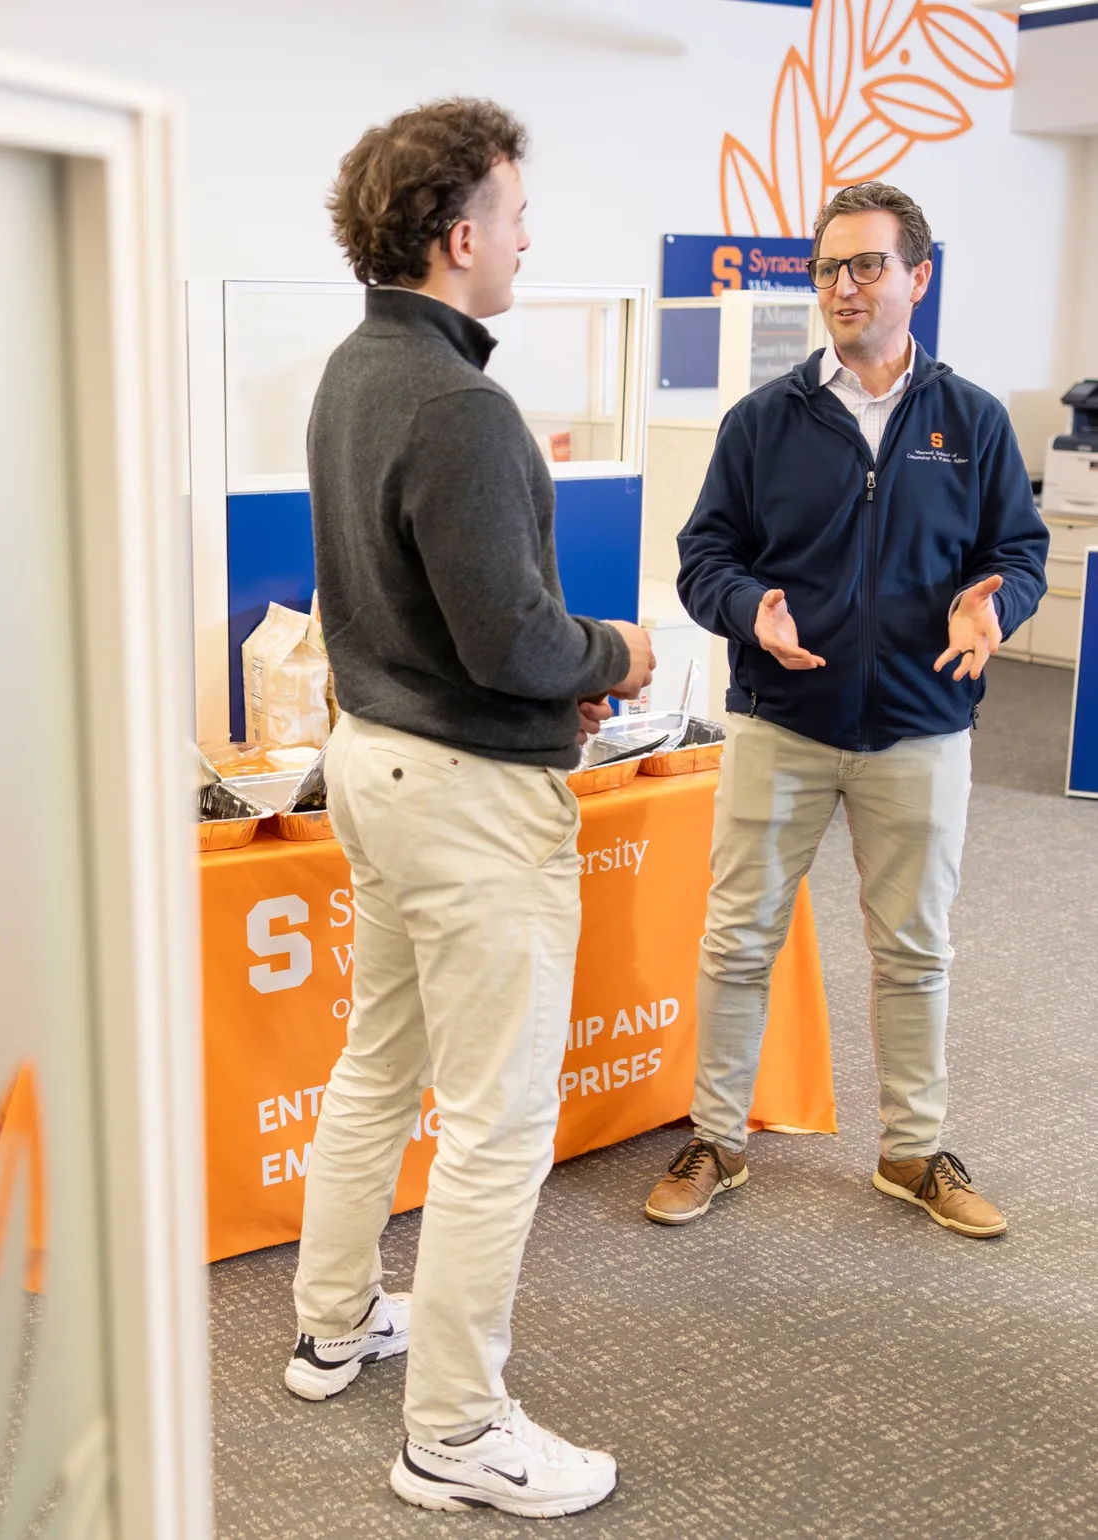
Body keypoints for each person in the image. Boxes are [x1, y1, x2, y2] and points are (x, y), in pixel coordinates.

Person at [286, 99, 654, 1517]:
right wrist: (614, 655)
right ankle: (452, 1433)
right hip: (465, 801)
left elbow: (438, 620)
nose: (523, 239)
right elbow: (512, 641)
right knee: (496, 1123)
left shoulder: (354, 370)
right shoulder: (459, 404)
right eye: (513, 214)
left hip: (379, 764)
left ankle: (333, 1326)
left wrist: (550, 675)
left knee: (378, 1063)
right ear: (457, 236)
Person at [644, 181, 1047, 1240]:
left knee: (913, 951)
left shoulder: (971, 420)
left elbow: (1018, 551)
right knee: (738, 940)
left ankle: (911, 1152)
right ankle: (717, 1139)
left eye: (867, 264)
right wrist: (749, 608)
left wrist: (993, 601)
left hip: (921, 724)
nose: (844, 286)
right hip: (779, 719)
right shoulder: (763, 421)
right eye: (828, 267)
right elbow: (704, 557)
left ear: (918, 277)